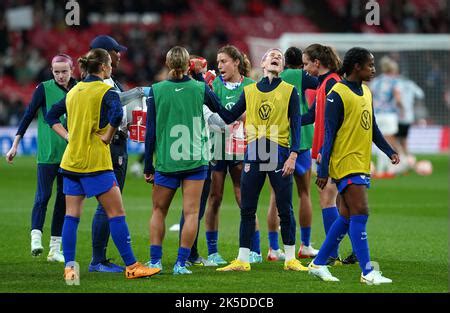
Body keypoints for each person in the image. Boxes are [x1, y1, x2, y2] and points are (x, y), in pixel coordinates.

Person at [45, 48, 159, 282]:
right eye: (110, 65)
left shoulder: (74, 91)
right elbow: (117, 116)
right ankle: (132, 266)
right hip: (96, 162)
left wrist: (68, 136)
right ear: (105, 67)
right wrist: (107, 136)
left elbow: (51, 116)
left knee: (71, 216)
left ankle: (70, 268)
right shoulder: (107, 91)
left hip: (71, 161)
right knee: (116, 213)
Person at [308, 47, 400, 284]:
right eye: (370, 65)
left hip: (360, 161)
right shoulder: (336, 93)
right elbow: (329, 134)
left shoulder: (366, 92)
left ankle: (318, 263)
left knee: (347, 216)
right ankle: (368, 272)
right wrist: (323, 169)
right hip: (344, 162)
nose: (373, 69)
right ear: (356, 67)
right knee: (361, 211)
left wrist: (388, 150)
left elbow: (372, 126)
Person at [215, 48, 307, 272]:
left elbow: (296, 125)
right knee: (247, 209)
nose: (276, 57)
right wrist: (206, 92)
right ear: (262, 63)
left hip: (279, 153)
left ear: (282, 67)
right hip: (254, 154)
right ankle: (242, 260)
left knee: (285, 209)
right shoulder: (249, 91)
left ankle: (291, 259)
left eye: (280, 57)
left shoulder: (290, 91)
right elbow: (228, 116)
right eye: (272, 55)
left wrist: (293, 156)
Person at [144, 46, 222, 275]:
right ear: (189, 64)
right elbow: (218, 107)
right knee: (191, 214)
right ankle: (180, 263)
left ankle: (155, 261)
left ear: (167, 64)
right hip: (195, 160)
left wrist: (148, 165)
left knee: (159, 211)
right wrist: (198, 75)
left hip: (167, 160)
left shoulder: (155, 90)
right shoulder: (199, 88)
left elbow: (150, 133)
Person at [5, 54, 77, 262]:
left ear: (72, 70)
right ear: (51, 71)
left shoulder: (79, 88)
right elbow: (28, 115)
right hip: (47, 154)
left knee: (63, 201)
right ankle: (36, 237)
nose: (61, 75)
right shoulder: (43, 89)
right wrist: (15, 144)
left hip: (70, 155)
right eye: (57, 72)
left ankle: (55, 249)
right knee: (43, 196)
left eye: (64, 71)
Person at [204, 45, 263, 265]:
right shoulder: (213, 86)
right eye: (218, 62)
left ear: (236, 62)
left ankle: (255, 250)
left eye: (224, 61)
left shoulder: (251, 86)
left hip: (242, 150)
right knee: (215, 198)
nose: (219, 66)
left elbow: (258, 114)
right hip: (217, 148)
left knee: (244, 199)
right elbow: (208, 115)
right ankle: (212, 253)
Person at [300, 43, 354, 264]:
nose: (304, 69)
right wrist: (289, 119)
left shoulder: (333, 83)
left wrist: (325, 150)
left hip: (331, 151)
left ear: (316, 62)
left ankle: (331, 253)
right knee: (343, 203)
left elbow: (336, 121)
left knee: (328, 199)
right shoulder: (325, 82)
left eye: (306, 64)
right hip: (328, 149)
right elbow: (313, 115)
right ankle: (356, 251)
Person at [266, 46, 319, 261]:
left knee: (274, 197)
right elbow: (324, 84)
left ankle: (272, 248)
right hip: (302, 140)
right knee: (304, 193)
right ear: (301, 63)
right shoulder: (300, 75)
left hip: (276, 138)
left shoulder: (272, 76)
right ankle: (305, 245)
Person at [87, 35, 129, 273]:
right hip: (110, 146)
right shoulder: (101, 85)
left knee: (107, 204)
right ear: (104, 55)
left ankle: (99, 258)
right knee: (108, 205)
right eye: (116, 51)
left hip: (115, 145)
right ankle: (98, 260)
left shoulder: (107, 82)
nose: (119, 55)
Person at [369, 56, 404, 178]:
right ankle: (395, 166)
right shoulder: (395, 81)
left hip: (377, 114)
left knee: (380, 141)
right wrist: (402, 108)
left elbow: (370, 96)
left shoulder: (376, 81)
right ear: (393, 70)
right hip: (389, 114)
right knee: (391, 140)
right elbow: (398, 98)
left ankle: (380, 168)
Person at [395, 76, 424, 172]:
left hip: (398, 116)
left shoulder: (397, 84)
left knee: (396, 140)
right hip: (409, 116)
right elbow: (420, 94)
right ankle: (408, 159)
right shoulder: (411, 84)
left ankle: (404, 160)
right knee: (403, 140)